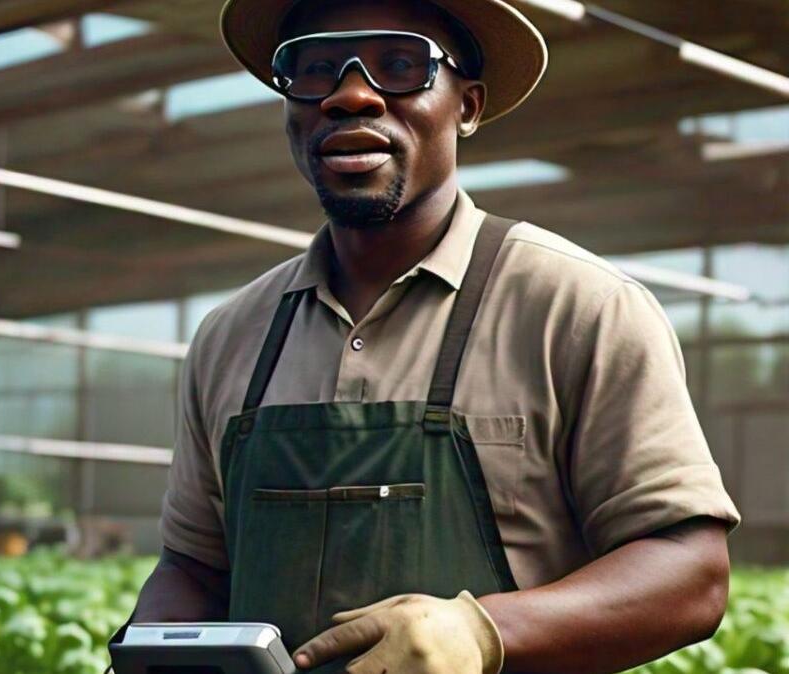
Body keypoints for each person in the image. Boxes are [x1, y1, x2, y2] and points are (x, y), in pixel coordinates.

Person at [119, 1, 741, 672]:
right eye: (316, 69)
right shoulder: (232, 335)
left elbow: (692, 576)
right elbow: (194, 564)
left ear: (467, 106)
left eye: (400, 65)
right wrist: (150, 650)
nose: (350, 95)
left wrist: (483, 631)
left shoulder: (578, 307)